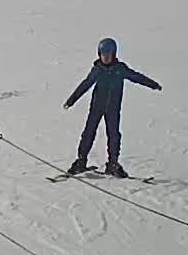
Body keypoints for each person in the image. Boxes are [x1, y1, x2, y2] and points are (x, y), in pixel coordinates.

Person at [62, 37, 163, 177]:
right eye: (103, 55)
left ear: (114, 54)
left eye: (108, 55)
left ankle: (112, 164)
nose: (106, 58)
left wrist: (153, 84)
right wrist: (71, 100)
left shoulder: (120, 69)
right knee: (88, 133)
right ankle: (81, 161)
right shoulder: (97, 70)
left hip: (113, 110)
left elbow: (137, 77)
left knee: (114, 136)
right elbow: (85, 85)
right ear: (99, 54)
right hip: (96, 108)